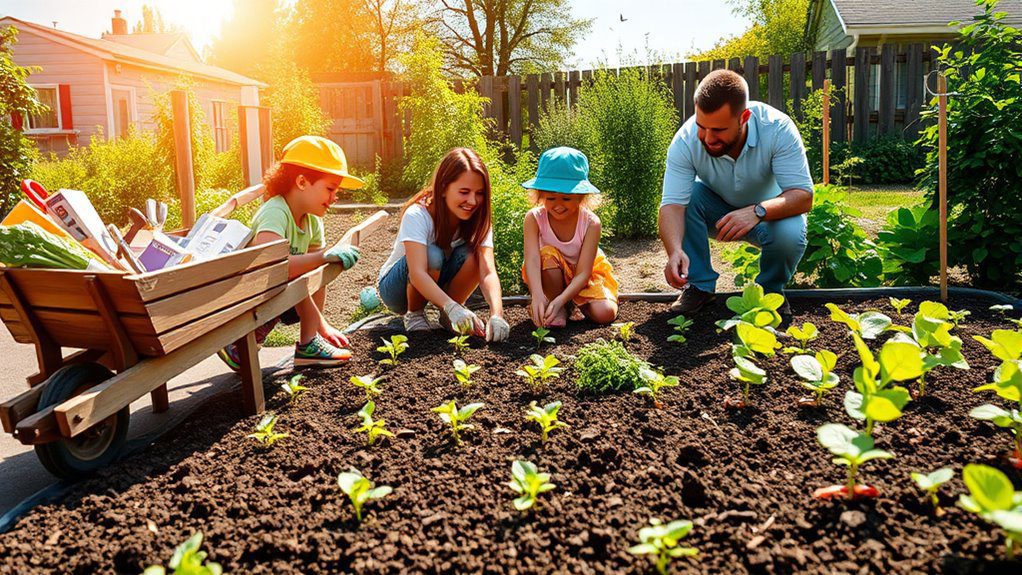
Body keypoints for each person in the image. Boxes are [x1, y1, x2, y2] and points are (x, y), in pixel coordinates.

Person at [659, 69, 813, 326]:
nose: (708, 138)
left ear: (744, 117)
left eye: (718, 129)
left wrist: (756, 211)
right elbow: (672, 205)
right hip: (714, 210)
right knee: (690, 196)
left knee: (791, 232)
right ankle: (698, 287)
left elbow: (802, 196)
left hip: (768, 216)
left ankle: (770, 293)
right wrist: (674, 251)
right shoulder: (685, 141)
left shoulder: (776, 129)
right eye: (701, 127)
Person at [218, 135, 364, 369]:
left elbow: (314, 274)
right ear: (302, 182)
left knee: (314, 271)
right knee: (300, 269)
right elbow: (269, 265)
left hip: (277, 295)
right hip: (248, 297)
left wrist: (321, 326)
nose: (334, 198)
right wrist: (323, 256)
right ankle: (238, 341)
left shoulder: (312, 221)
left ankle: (309, 341)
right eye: (330, 189)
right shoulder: (275, 212)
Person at [377, 147, 510, 341]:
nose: (472, 201)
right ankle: (415, 315)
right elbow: (418, 273)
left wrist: (497, 315)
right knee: (433, 255)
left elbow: (488, 271)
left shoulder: (479, 221)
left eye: (479, 193)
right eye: (464, 192)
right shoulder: (418, 215)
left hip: (438, 280)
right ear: (444, 188)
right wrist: (453, 307)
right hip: (396, 289)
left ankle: (448, 317)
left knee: (475, 256)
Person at [521, 147, 619, 328]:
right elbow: (532, 260)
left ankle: (569, 303)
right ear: (541, 196)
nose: (558, 205)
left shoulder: (591, 223)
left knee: (605, 314)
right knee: (547, 254)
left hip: (583, 274)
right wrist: (537, 295)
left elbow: (583, 272)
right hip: (550, 273)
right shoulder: (534, 218)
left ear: (581, 197)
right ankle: (555, 305)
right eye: (551, 198)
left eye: (566, 199)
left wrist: (563, 299)